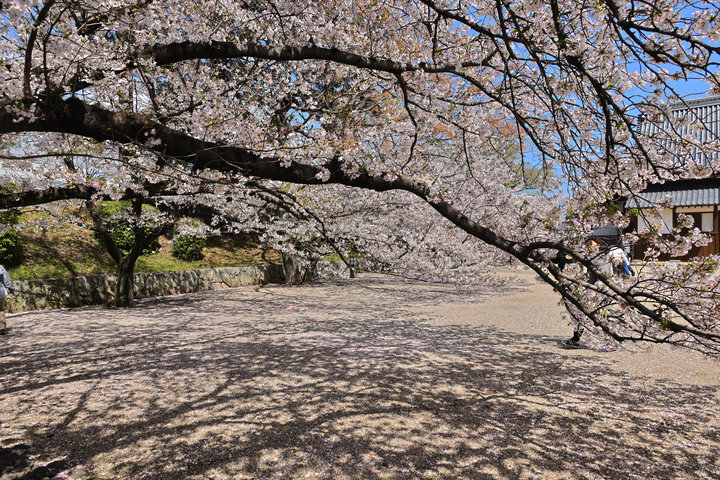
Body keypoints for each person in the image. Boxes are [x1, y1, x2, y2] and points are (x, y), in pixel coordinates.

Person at [560, 238, 613, 349]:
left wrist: (594, 291)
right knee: (581, 315)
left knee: (602, 318)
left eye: (591, 244)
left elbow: (604, 278)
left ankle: (610, 343)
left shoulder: (602, 259)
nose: (588, 247)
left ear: (599, 245)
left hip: (601, 292)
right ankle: (575, 339)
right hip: (591, 291)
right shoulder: (590, 258)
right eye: (587, 245)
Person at [0, 264, 15, 335]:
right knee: (0, 309)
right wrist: (11, 289)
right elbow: (6, 279)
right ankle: (1, 326)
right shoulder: (0, 267)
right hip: (1, 292)